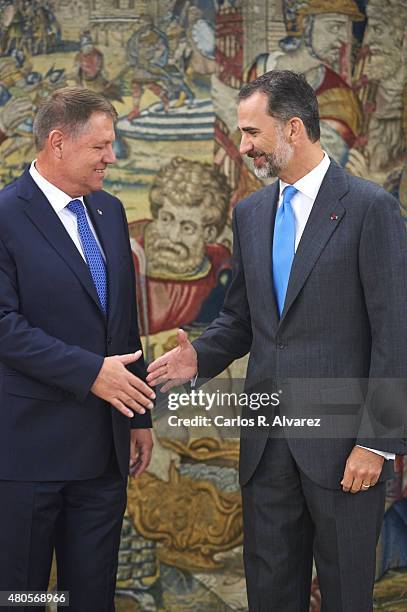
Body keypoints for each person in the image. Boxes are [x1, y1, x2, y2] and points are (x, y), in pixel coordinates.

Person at [147, 70, 407, 611]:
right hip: (266, 447)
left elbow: (395, 332)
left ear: (293, 128)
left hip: (344, 450)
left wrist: (376, 442)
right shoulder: (250, 214)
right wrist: (198, 356)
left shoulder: (369, 208)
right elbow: (243, 320)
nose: (243, 147)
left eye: (251, 133)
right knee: (270, 598)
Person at [0, 87, 155, 612]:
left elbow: (122, 324)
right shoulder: (4, 215)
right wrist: (91, 373)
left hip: (103, 455)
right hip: (27, 457)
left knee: (89, 599)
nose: (112, 157)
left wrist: (139, 418)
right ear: (58, 142)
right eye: (102, 147)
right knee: (19, 597)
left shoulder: (110, 213)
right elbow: (2, 325)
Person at [129, 157, 231, 335]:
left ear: (208, 234)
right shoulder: (130, 261)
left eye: (187, 227)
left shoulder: (218, 268)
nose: (173, 236)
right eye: (166, 219)